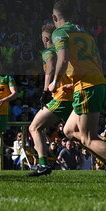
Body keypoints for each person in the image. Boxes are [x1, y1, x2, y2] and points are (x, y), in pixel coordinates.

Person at [47, 0, 106, 182]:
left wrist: (55, 81)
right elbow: (98, 61)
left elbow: (63, 60)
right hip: (97, 83)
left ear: (54, 17)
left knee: (88, 137)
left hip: (87, 87)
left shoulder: (59, 33)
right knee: (70, 131)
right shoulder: (85, 33)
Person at [28, 24, 79, 177]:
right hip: (71, 96)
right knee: (79, 135)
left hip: (61, 97)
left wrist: (45, 90)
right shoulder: (64, 52)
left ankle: (43, 164)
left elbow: (50, 68)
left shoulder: (49, 51)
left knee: (34, 128)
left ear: (45, 38)